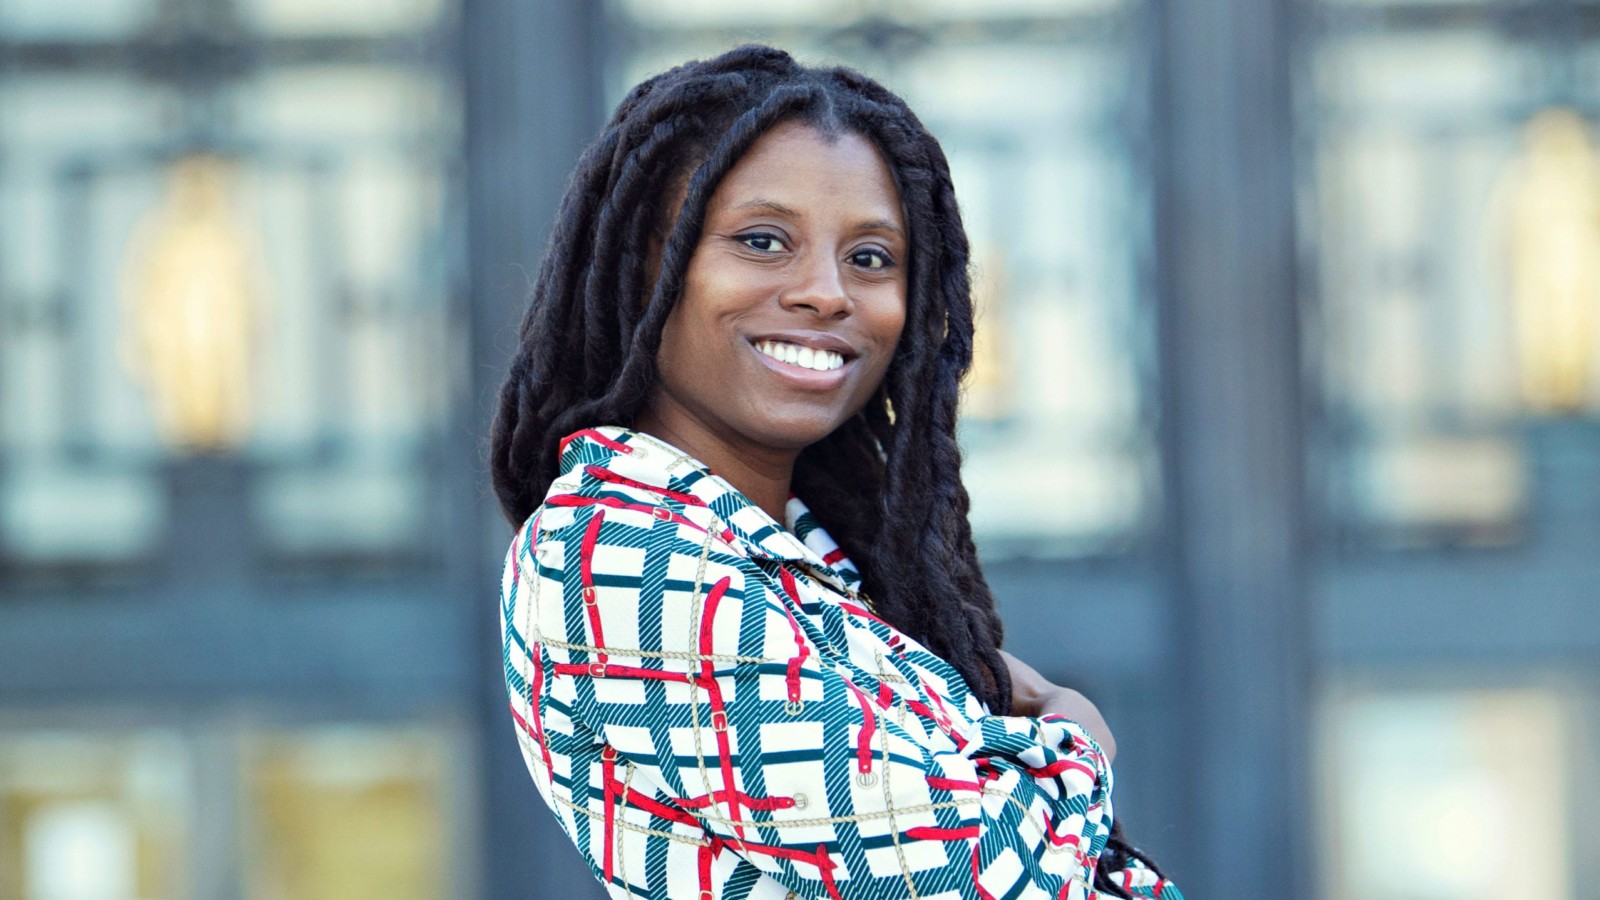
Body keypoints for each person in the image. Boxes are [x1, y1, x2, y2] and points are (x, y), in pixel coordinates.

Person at [490, 45, 1179, 899]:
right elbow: (971, 877)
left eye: (871, 258)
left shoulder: (808, 557)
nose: (827, 293)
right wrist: (1077, 741)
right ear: (643, 271)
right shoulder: (616, 553)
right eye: (762, 241)